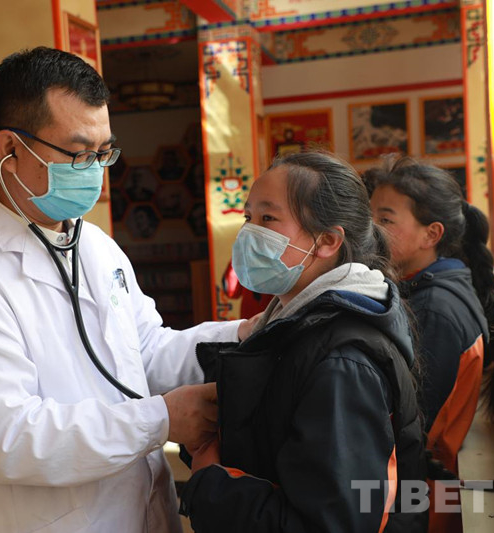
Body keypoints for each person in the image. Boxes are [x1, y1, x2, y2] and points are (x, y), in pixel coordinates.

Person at [0, 47, 254, 533]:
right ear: (9, 149)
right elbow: (11, 439)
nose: (94, 169)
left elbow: (144, 352)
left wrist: (243, 334)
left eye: (103, 152)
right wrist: (160, 420)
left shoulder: (95, 245)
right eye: (78, 154)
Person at [180, 151, 426, 533]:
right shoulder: (290, 323)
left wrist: (212, 485)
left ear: (327, 240)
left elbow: (332, 524)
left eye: (268, 219)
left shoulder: (341, 362)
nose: (249, 233)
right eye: (248, 217)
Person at [367, 156, 494, 532]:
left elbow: (409, 424)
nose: (369, 229)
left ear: (431, 235)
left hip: (415, 503)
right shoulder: (433, 289)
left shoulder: (433, 311)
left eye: (385, 220)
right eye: (369, 216)